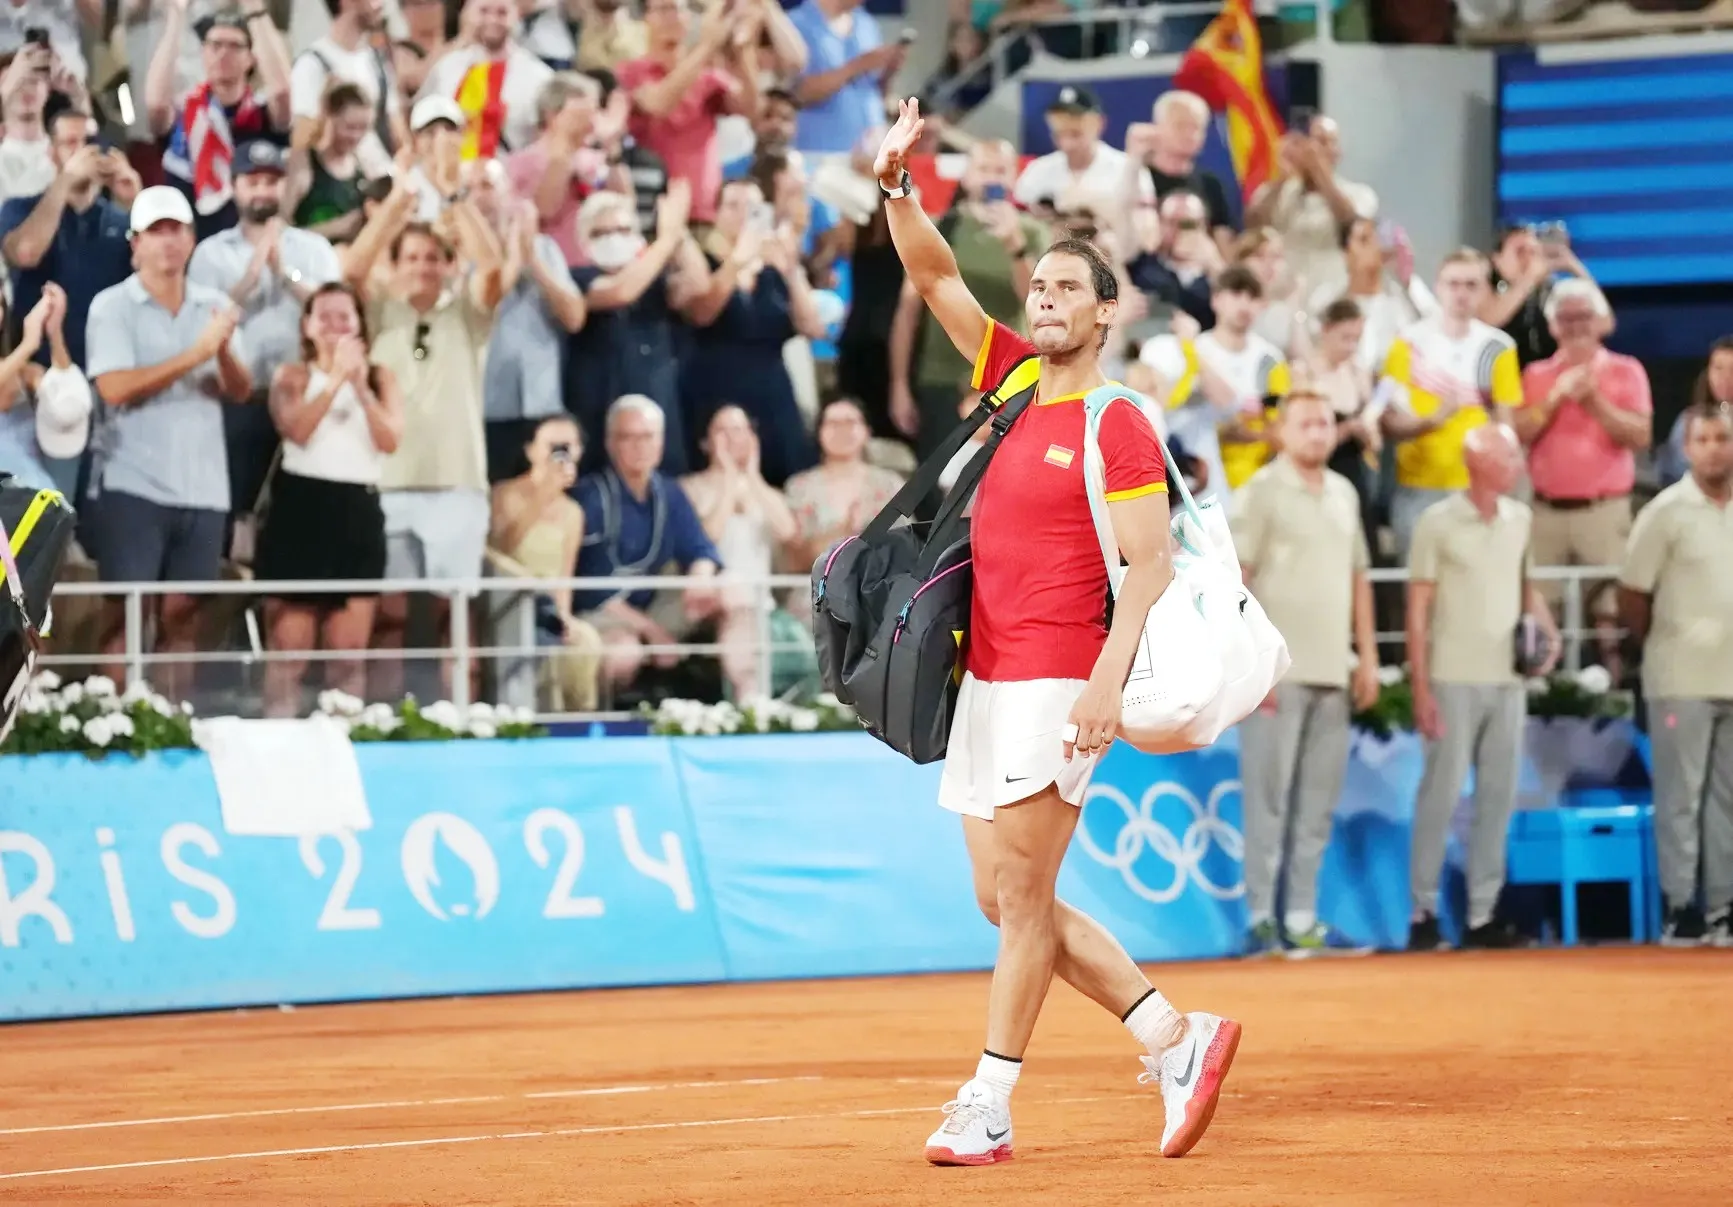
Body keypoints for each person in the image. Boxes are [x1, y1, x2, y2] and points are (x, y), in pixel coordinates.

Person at [874, 98, 1239, 1167]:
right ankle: (1173, 1036)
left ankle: (987, 1102)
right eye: (1037, 285)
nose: (1043, 298)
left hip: (1058, 674)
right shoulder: (1016, 380)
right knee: (1000, 897)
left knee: (1024, 898)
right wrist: (896, 186)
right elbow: (936, 279)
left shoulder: (1114, 418)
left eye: (1067, 287)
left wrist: (1103, 685)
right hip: (984, 675)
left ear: (1106, 310)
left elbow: (1149, 564)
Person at [84, 186, 252, 704]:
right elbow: (114, 387)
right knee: (127, 614)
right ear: (135, 243)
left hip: (204, 487)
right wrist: (196, 353)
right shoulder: (112, 306)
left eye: (176, 229)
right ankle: (112, 722)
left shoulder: (215, 306)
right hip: (132, 482)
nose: (168, 241)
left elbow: (241, 390)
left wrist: (222, 351)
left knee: (184, 618)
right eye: (156, 231)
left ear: (192, 239)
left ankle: (171, 721)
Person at [1232, 390, 1380, 957]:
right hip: (1278, 675)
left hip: (1332, 671)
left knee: (1316, 804)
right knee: (1268, 801)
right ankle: (1260, 919)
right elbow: (1237, 581)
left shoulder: (1344, 491)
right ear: (1282, 431)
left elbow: (1359, 578)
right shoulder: (1261, 491)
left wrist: (1368, 657)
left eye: (1325, 422)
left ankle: (1300, 916)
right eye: (1307, 423)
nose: (1319, 432)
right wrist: (1252, 669)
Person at [1406, 424, 1558, 951]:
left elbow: (1525, 589)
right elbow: (1417, 609)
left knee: (1497, 798)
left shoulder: (1521, 520)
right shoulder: (1437, 522)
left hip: (1508, 680)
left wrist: (1550, 633)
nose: (1518, 464)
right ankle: (1423, 912)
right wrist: (1421, 688)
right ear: (1479, 464)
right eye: (1509, 456)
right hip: (1451, 678)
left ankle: (1481, 915)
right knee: (1440, 797)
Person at [256, 283, 403, 716]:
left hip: (357, 511)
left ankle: (344, 737)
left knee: (348, 652)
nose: (335, 326)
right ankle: (278, 738)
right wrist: (335, 379)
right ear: (307, 325)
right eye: (325, 316)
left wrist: (359, 387)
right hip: (301, 509)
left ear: (359, 325)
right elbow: (296, 430)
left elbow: (390, 439)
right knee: (289, 650)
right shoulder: (292, 376)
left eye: (344, 317)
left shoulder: (380, 378)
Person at [1618, 401, 1733, 946]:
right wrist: (1661, 646)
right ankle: (1680, 904)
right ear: (1685, 450)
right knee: (1680, 797)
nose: (1714, 450)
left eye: (1722, 439)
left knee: (1727, 799)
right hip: (1679, 678)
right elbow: (1632, 595)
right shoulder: (1664, 512)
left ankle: (1723, 907)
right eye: (1703, 440)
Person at [680, 405, 798, 700]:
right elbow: (703, 539)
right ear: (705, 442)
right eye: (723, 430)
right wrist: (729, 481)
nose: (733, 438)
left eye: (740, 429)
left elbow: (788, 532)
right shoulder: (690, 488)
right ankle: (748, 699)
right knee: (736, 602)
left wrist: (752, 477)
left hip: (763, 600)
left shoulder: (768, 492)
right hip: (711, 599)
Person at [489, 414, 605, 712]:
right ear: (531, 451)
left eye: (568, 447)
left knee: (585, 641)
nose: (560, 455)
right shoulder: (504, 494)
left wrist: (564, 617)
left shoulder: (573, 512)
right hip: (510, 602)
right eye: (553, 447)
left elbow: (565, 575)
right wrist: (542, 496)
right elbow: (501, 547)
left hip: (550, 608)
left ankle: (580, 718)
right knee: (543, 646)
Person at [782, 395, 903, 570]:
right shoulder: (799, 487)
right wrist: (843, 531)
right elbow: (794, 558)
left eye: (850, 422)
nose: (842, 431)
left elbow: (907, 547)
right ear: (819, 432)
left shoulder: (888, 484)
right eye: (833, 424)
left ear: (867, 431)